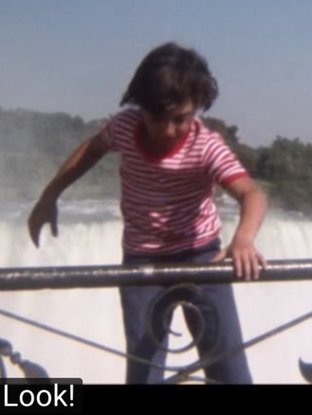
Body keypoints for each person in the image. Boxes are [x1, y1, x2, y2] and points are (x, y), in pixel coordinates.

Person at [27, 42, 267, 384]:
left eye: (181, 118)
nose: (168, 130)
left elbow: (251, 192)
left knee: (227, 366)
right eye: (157, 118)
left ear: (198, 108)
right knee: (144, 370)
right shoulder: (124, 127)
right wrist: (50, 195)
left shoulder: (205, 145)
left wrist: (243, 238)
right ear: (140, 106)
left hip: (203, 259)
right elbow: (92, 149)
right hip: (143, 264)